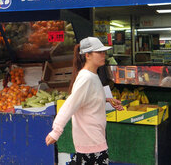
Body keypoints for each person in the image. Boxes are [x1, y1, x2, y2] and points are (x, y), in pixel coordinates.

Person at [46, 37, 124, 165]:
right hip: (91, 142)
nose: (103, 55)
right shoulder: (86, 78)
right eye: (99, 52)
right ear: (87, 55)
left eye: (103, 52)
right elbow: (70, 104)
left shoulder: (92, 75)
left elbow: (87, 99)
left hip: (93, 141)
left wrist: (106, 99)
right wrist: (56, 131)